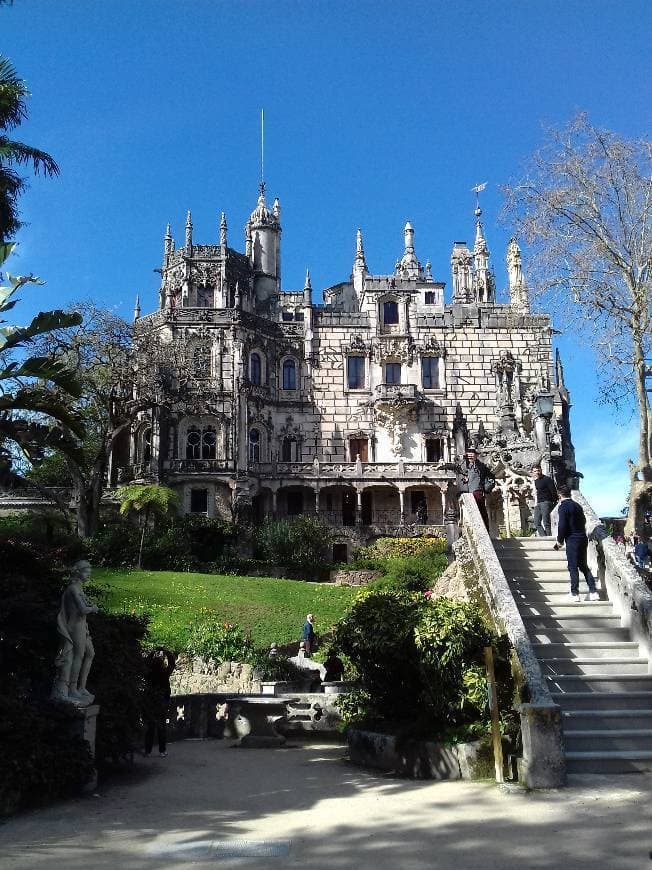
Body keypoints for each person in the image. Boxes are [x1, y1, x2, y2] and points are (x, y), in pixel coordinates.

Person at [51, 560, 99, 705]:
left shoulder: (78, 588)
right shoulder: (73, 588)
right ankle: (72, 688)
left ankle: (81, 687)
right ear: (77, 572)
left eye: (89, 572)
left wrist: (89, 605)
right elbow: (83, 610)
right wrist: (93, 608)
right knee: (78, 655)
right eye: (86, 572)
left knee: (90, 653)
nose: (88, 575)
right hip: (75, 626)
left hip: (83, 626)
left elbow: (84, 606)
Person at [553, 485, 598, 602]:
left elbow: (562, 525)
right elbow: (583, 520)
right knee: (583, 565)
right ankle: (593, 592)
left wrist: (559, 541)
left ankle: (574, 593)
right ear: (570, 493)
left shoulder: (563, 507)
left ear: (559, 495)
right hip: (582, 537)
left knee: (572, 566)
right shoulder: (577, 505)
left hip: (572, 539)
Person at [144, 647, 176, 758]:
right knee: (161, 726)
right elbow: (172, 663)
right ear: (162, 664)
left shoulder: (149, 674)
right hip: (162, 700)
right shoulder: (164, 673)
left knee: (150, 726)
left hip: (151, 700)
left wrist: (152, 652)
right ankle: (162, 751)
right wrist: (166, 651)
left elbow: (146, 663)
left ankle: (147, 751)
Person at [460, 447, 494, 531]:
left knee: (480, 511)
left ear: (476, 455)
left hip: (477, 491)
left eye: (472, 453)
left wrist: (486, 487)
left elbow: (490, 477)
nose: (470, 455)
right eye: (468, 454)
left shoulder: (480, 466)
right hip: (468, 492)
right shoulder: (466, 466)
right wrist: (465, 479)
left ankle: (484, 530)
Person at [531, 464, 557, 537]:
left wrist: (553, 502)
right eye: (535, 471)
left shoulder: (547, 479)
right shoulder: (535, 481)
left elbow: (553, 491)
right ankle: (545, 538)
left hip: (546, 502)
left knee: (546, 523)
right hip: (538, 503)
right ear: (533, 472)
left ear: (541, 470)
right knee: (536, 523)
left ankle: (549, 539)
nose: (537, 472)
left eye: (538, 470)